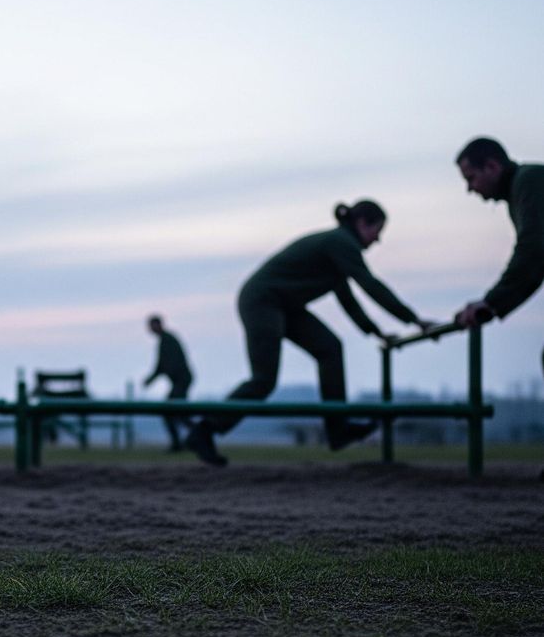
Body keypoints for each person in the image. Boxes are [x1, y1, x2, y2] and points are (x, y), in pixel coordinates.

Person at [186, 199, 433, 467]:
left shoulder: (339, 249)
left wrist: (376, 333)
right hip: (262, 301)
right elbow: (369, 285)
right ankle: (204, 430)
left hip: (284, 305)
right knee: (263, 380)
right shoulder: (341, 242)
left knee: (330, 348)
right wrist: (414, 319)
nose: (377, 241)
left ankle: (338, 430)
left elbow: (348, 300)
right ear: (362, 223)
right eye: (377, 231)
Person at [453, 138, 544, 339]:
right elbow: (535, 267)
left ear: (492, 166)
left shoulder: (529, 181)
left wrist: (492, 301)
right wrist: (494, 304)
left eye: (471, 178)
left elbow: (533, 249)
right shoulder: (521, 188)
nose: (470, 189)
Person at [142, 315, 194, 451]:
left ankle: (189, 440)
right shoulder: (165, 340)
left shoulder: (167, 340)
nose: (150, 329)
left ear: (158, 325)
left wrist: (151, 379)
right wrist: (151, 379)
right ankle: (192, 439)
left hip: (181, 381)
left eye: (152, 325)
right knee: (178, 413)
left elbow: (165, 365)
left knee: (172, 412)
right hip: (180, 381)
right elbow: (162, 366)